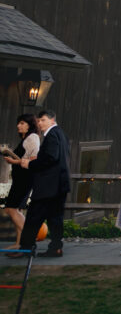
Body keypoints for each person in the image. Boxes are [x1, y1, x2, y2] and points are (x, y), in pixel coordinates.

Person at [13, 109, 70, 258]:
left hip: (48, 186)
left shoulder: (52, 135)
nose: (40, 123)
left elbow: (50, 158)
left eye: (43, 120)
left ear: (52, 120)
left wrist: (30, 165)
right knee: (55, 219)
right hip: (59, 185)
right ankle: (56, 247)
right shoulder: (61, 134)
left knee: (33, 217)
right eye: (38, 121)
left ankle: (26, 248)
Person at [3, 114, 39, 250]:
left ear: (30, 125)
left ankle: (29, 237)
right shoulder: (26, 138)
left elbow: (34, 159)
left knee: (10, 209)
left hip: (25, 178)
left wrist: (13, 161)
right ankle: (19, 244)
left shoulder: (32, 138)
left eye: (22, 123)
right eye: (19, 123)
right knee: (17, 209)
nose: (19, 126)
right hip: (20, 178)